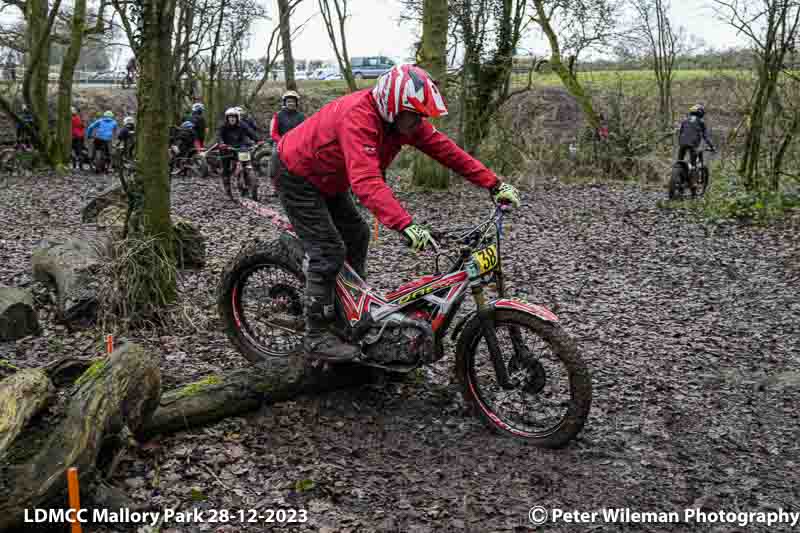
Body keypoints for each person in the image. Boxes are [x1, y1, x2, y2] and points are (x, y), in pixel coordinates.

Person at [275, 64, 520, 362]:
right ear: (393, 106)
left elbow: (447, 151)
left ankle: (348, 311)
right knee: (327, 251)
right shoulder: (359, 117)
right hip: (297, 173)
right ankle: (317, 334)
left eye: (422, 116)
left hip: (330, 175)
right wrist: (405, 225)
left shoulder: (402, 122)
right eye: (414, 116)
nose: (419, 123)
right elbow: (366, 181)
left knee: (358, 234)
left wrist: (493, 184)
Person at [678, 103, 716, 171]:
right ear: (701, 113)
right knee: (693, 166)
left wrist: (680, 142)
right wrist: (712, 146)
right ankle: (692, 174)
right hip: (693, 145)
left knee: (678, 163)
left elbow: (681, 133)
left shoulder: (685, 121)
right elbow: (705, 136)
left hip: (682, 143)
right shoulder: (701, 122)